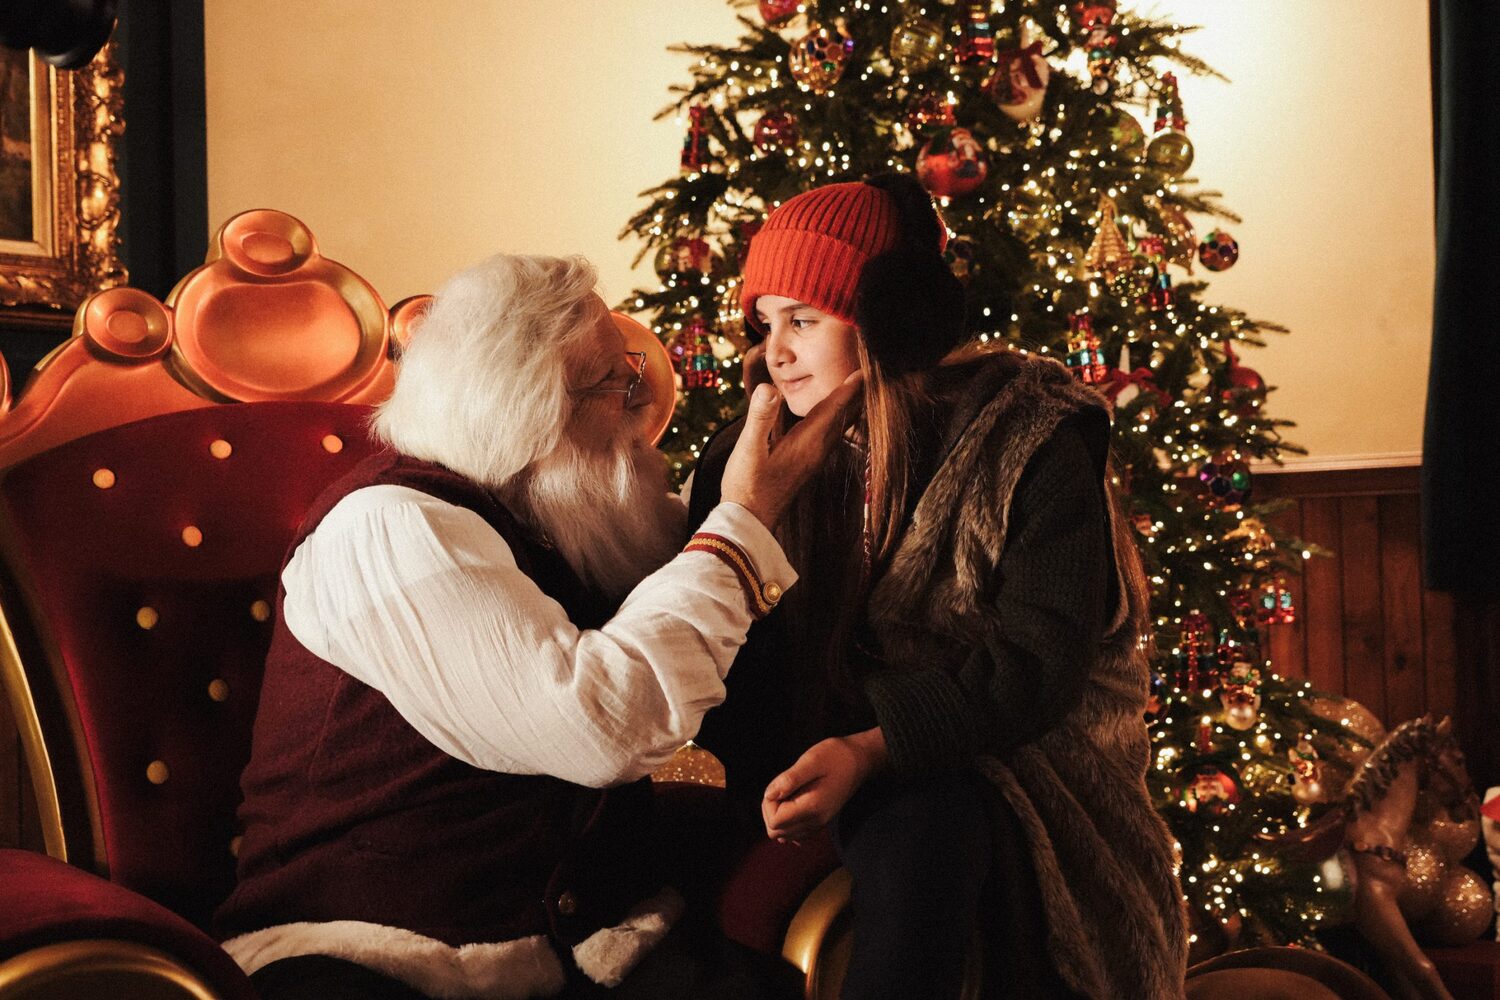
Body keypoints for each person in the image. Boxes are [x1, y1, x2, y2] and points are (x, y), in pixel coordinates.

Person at [213, 253, 858, 1000]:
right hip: (368, 952)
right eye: (616, 383)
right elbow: (604, 722)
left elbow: (690, 602)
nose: (640, 404)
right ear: (534, 412)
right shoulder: (390, 528)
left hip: (582, 944)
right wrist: (744, 520)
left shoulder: (557, 508)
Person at [686, 174, 1188, 1000]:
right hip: (809, 745)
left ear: (890, 320)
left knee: (922, 827)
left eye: (804, 320)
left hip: (1008, 758)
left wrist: (870, 750)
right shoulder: (746, 449)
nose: (774, 351)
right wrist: (746, 506)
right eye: (764, 322)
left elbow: (1037, 661)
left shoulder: (1030, 439)